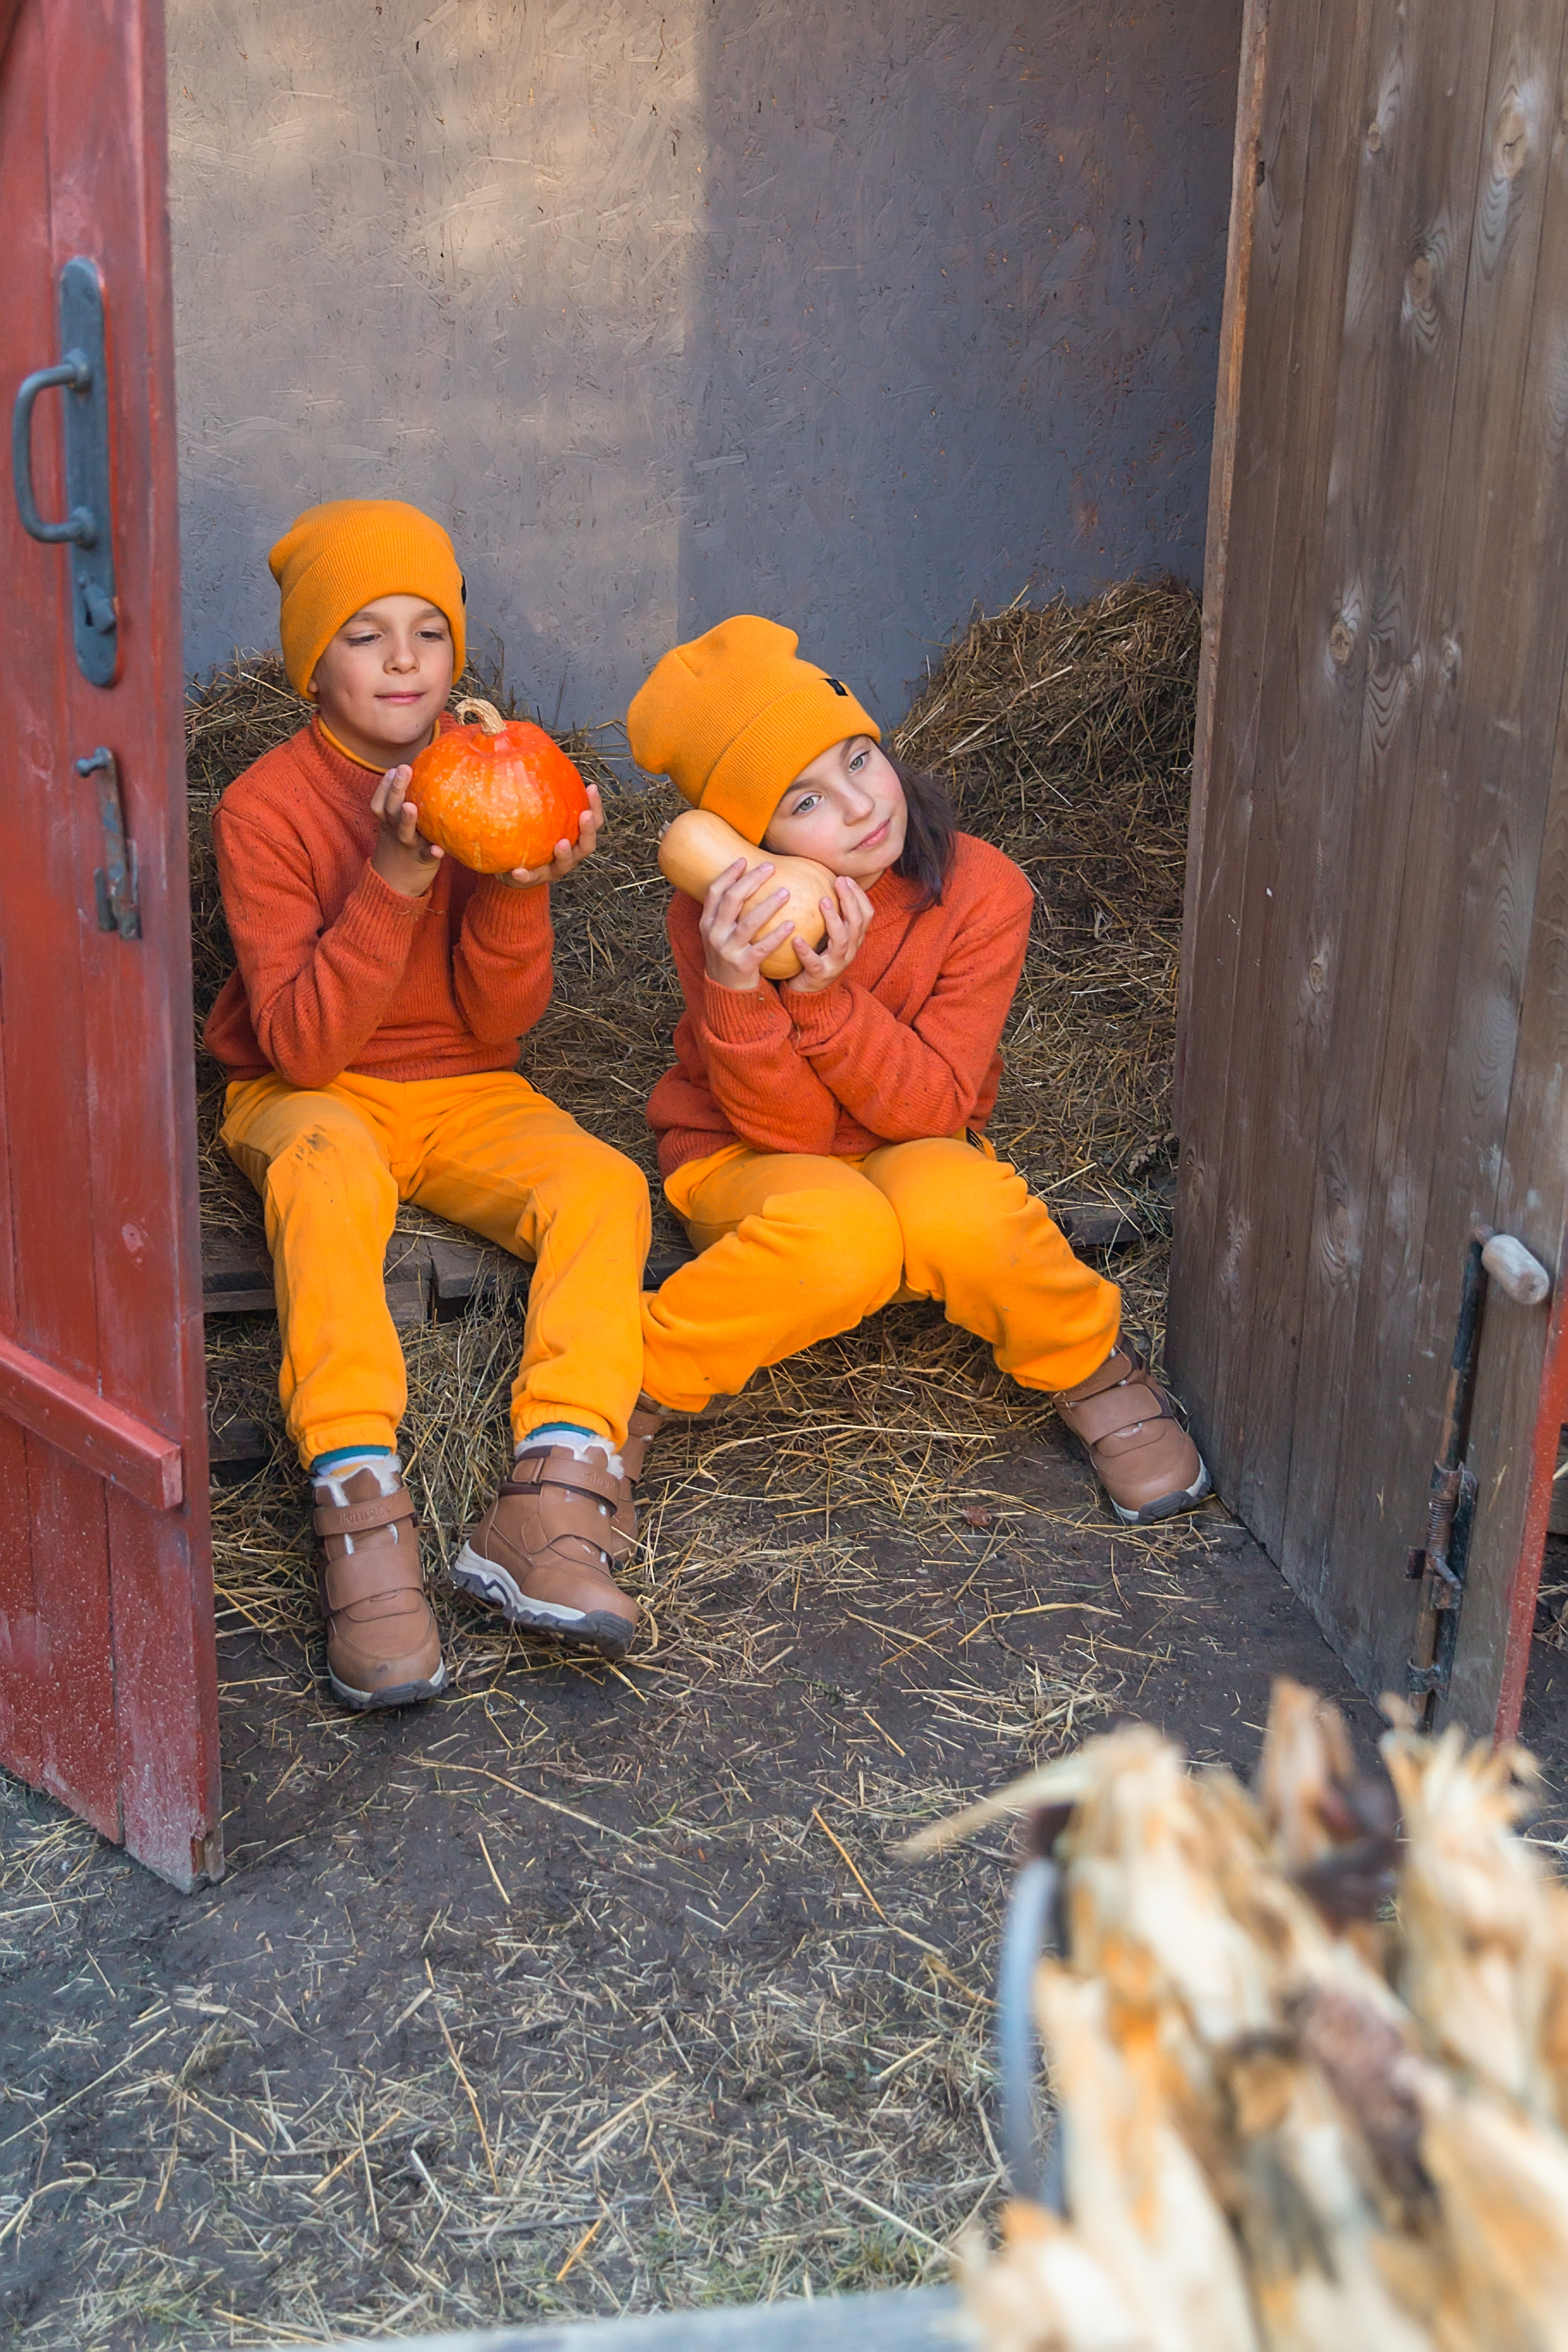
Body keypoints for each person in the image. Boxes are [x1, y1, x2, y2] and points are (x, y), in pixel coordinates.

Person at [205, 498, 649, 1711]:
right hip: (306, 1091)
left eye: (427, 631)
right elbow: (301, 1044)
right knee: (326, 1172)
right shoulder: (262, 808)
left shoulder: (492, 767)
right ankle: (362, 1514)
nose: (404, 660)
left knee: (604, 1186)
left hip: (465, 1088)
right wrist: (400, 873)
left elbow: (501, 1028)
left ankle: (552, 1502)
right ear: (311, 662)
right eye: (364, 633)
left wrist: (512, 888)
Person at [622, 615, 1210, 1525]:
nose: (861, 806)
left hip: (917, 1133)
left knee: (969, 1209)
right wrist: (741, 983)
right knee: (840, 1237)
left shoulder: (982, 891)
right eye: (804, 801)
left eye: (857, 759)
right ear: (749, 842)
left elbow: (936, 1104)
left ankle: (1093, 1370)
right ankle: (620, 1403)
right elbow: (792, 1137)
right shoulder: (727, 919)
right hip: (746, 1158)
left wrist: (825, 1003)